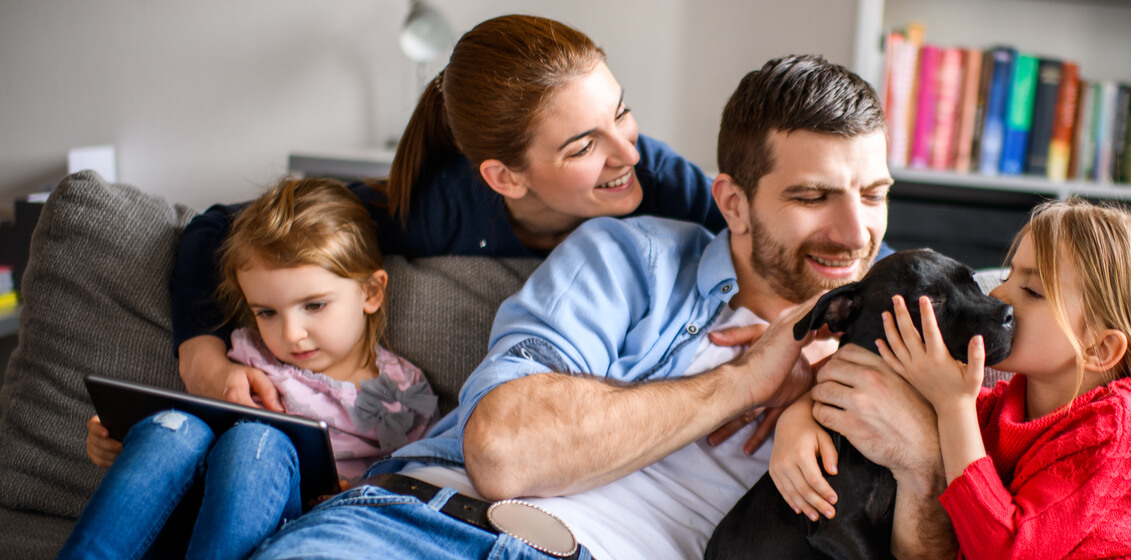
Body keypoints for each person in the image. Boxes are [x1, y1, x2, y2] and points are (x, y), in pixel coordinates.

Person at [247, 54, 928, 560]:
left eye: (873, 194)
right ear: (733, 203)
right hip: (420, 530)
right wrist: (746, 380)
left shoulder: (902, 342)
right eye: (812, 198)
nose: (854, 231)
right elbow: (504, 451)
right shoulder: (629, 260)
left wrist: (847, 393)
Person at [172, 14, 726, 411]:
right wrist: (202, 357)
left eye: (621, 112)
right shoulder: (442, 210)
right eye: (582, 146)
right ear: (505, 178)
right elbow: (218, 227)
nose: (628, 152)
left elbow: (765, 246)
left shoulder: (661, 181)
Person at [775, 198, 1131, 558]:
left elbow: (1008, 549)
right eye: (1008, 275)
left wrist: (954, 407)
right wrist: (798, 417)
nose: (999, 297)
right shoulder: (1001, 406)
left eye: (1032, 292)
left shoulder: (1119, 430)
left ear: (1098, 349)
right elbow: (879, 397)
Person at [60, 178, 437, 560]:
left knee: (257, 441)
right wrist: (121, 435)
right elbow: (199, 427)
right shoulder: (247, 357)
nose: (291, 334)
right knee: (168, 430)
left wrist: (358, 494)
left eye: (314, 305)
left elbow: (417, 489)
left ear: (370, 293)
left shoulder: (401, 394)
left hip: (290, 524)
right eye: (267, 313)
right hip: (183, 510)